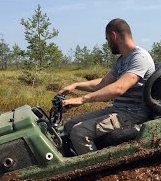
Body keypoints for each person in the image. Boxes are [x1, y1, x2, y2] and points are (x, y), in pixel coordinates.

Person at [59, 18, 155, 155]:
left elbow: (118, 88)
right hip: (118, 110)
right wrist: (75, 86)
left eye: (107, 40)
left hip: (132, 114)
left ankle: (93, 170)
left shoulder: (140, 58)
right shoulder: (123, 59)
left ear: (114, 36)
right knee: (69, 124)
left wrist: (82, 99)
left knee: (79, 133)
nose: (107, 44)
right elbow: (103, 83)